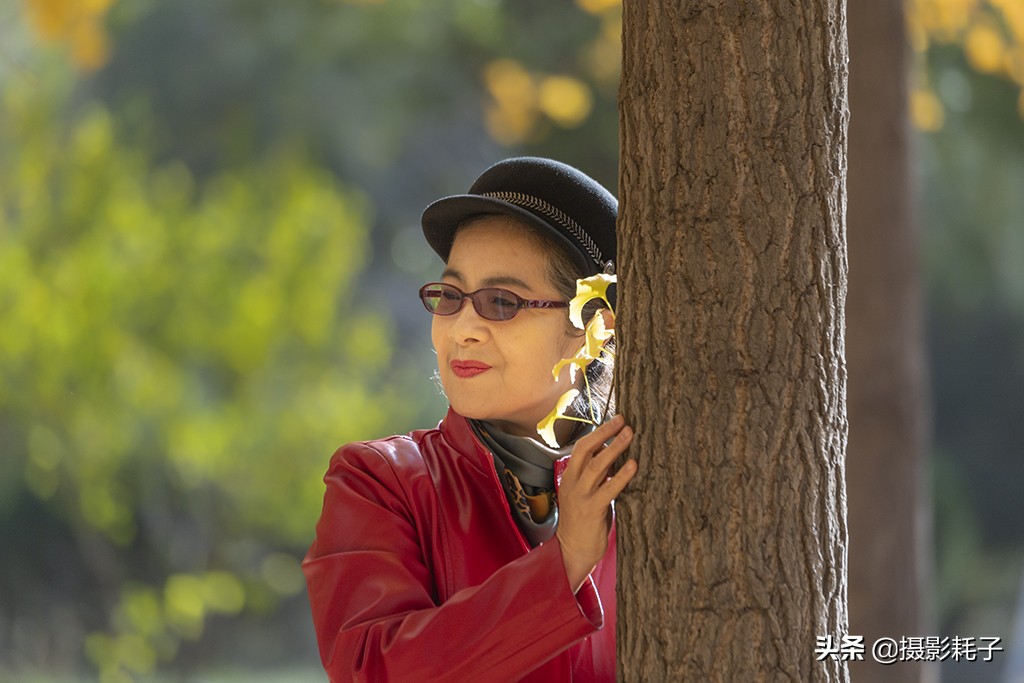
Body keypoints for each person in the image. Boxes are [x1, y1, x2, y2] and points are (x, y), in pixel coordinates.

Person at [302, 157, 638, 682]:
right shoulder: (378, 483)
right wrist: (566, 560)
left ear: (593, 328)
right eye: (451, 297)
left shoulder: (644, 485)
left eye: (501, 302)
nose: (462, 329)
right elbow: (372, 669)